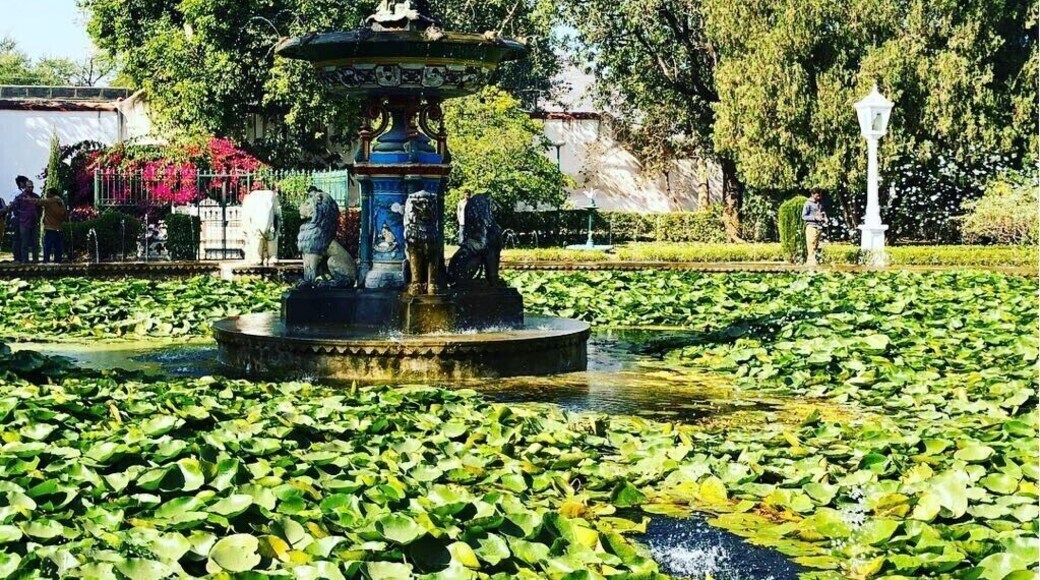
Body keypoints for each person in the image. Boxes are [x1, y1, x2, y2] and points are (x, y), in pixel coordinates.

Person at [11, 180, 41, 263]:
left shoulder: (36, 197)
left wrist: (37, 217)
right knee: (24, 243)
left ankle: (35, 260)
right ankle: (25, 260)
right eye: (29, 187)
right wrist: (21, 217)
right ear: (25, 187)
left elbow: (40, 208)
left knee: (35, 243)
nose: (30, 188)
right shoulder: (20, 197)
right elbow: (15, 209)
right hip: (23, 223)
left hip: (34, 223)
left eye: (32, 187)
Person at [36, 189, 67, 263]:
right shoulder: (61, 202)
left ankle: (46, 261)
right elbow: (64, 214)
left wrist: (28, 199)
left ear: (51, 194)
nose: (46, 195)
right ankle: (58, 261)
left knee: (47, 246)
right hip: (59, 227)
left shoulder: (50, 201)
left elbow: (39, 202)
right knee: (58, 247)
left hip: (50, 227)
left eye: (47, 193)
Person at [801, 190, 826, 267]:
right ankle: (810, 264)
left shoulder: (819, 203)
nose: (819, 196)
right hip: (811, 227)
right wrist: (815, 218)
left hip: (819, 227)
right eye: (818, 194)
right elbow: (804, 216)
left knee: (818, 246)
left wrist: (824, 218)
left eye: (820, 194)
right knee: (811, 246)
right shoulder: (808, 204)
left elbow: (823, 212)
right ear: (812, 194)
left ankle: (817, 262)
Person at [6, 176, 27, 262]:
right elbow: (11, 204)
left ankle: (22, 257)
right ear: (21, 183)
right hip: (17, 218)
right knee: (17, 238)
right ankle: (17, 257)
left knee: (22, 238)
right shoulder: (17, 192)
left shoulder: (24, 192)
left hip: (23, 218)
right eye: (25, 182)